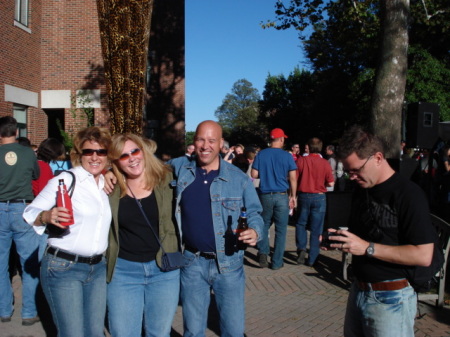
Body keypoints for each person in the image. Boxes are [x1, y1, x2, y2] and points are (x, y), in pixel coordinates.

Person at [327, 125, 435, 337]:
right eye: (348, 172)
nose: (352, 177)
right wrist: (340, 239)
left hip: (391, 296)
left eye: (356, 170)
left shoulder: (409, 194)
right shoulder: (362, 189)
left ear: (377, 157)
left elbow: (424, 255)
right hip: (358, 290)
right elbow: (364, 236)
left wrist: (366, 248)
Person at [169, 120, 263, 337]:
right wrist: (110, 173)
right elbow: (148, 168)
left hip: (228, 265)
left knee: (233, 331)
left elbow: (255, 212)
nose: (205, 145)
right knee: (193, 331)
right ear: (193, 141)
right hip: (191, 263)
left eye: (212, 140)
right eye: (201, 139)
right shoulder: (181, 168)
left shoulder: (238, 178)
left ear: (221, 144)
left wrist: (255, 231)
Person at [23, 126, 112, 337]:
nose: (95, 157)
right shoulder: (65, 180)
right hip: (64, 268)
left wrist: (109, 172)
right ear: (78, 154)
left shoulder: (107, 184)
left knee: (94, 333)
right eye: (88, 151)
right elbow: (29, 212)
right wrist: (46, 216)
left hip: (97, 268)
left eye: (101, 152)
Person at [106, 134, 180, 337]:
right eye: (123, 156)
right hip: (123, 271)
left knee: (159, 333)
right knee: (123, 333)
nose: (132, 158)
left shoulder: (167, 178)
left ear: (144, 151)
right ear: (116, 162)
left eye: (135, 151)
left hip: (164, 270)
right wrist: (105, 172)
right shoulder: (111, 187)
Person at [0, 116, 41, 326]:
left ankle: (4, 309)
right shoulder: (27, 152)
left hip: (0, 208)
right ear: (17, 132)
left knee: (0, 263)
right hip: (22, 207)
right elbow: (36, 175)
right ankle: (29, 312)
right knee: (29, 262)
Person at [251, 128, 297, 269]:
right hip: (282, 195)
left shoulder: (261, 154)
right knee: (281, 230)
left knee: (264, 225)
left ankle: (263, 252)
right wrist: (293, 196)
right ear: (282, 139)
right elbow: (293, 178)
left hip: (265, 194)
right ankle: (277, 262)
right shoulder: (287, 156)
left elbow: (254, 174)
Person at [295, 137, 334, 267]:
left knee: (301, 224)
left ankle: (301, 248)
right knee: (316, 228)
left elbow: (294, 178)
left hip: (304, 195)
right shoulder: (325, 163)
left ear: (309, 147)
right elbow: (331, 182)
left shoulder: (301, 161)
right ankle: (313, 257)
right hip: (319, 196)